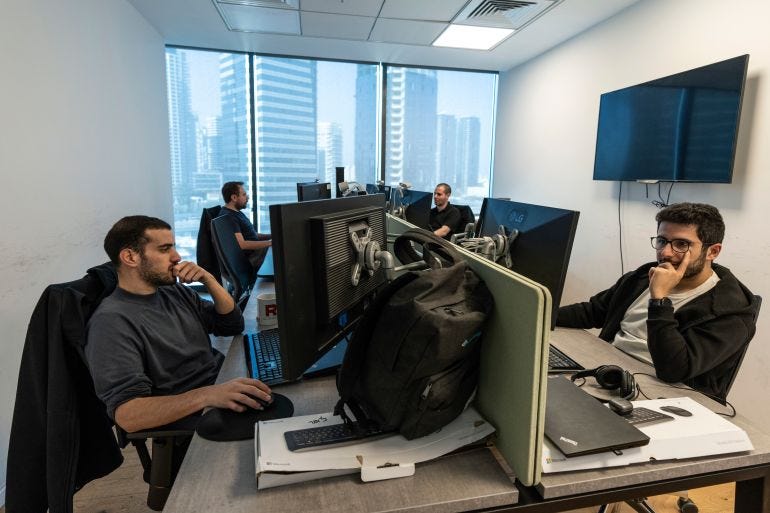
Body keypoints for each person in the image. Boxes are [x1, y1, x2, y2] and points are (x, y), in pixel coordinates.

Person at [85, 215, 272, 433]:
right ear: (130, 257)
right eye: (165, 249)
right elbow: (128, 414)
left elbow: (231, 325)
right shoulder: (111, 322)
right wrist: (207, 395)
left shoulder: (173, 291)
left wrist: (209, 280)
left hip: (221, 385)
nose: (177, 256)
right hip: (195, 413)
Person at [556, 202, 757, 400]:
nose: (666, 252)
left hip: (666, 396)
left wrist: (659, 299)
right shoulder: (644, 275)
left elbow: (674, 370)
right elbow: (592, 311)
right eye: (662, 240)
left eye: (681, 244)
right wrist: (537, 313)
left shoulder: (732, 312)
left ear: (712, 251)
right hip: (609, 373)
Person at [220, 181, 272, 269]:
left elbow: (252, 235)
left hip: (255, 254)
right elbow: (242, 244)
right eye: (244, 195)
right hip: (251, 259)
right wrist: (270, 243)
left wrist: (271, 236)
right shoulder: (229, 217)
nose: (247, 198)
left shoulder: (236, 212)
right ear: (234, 197)